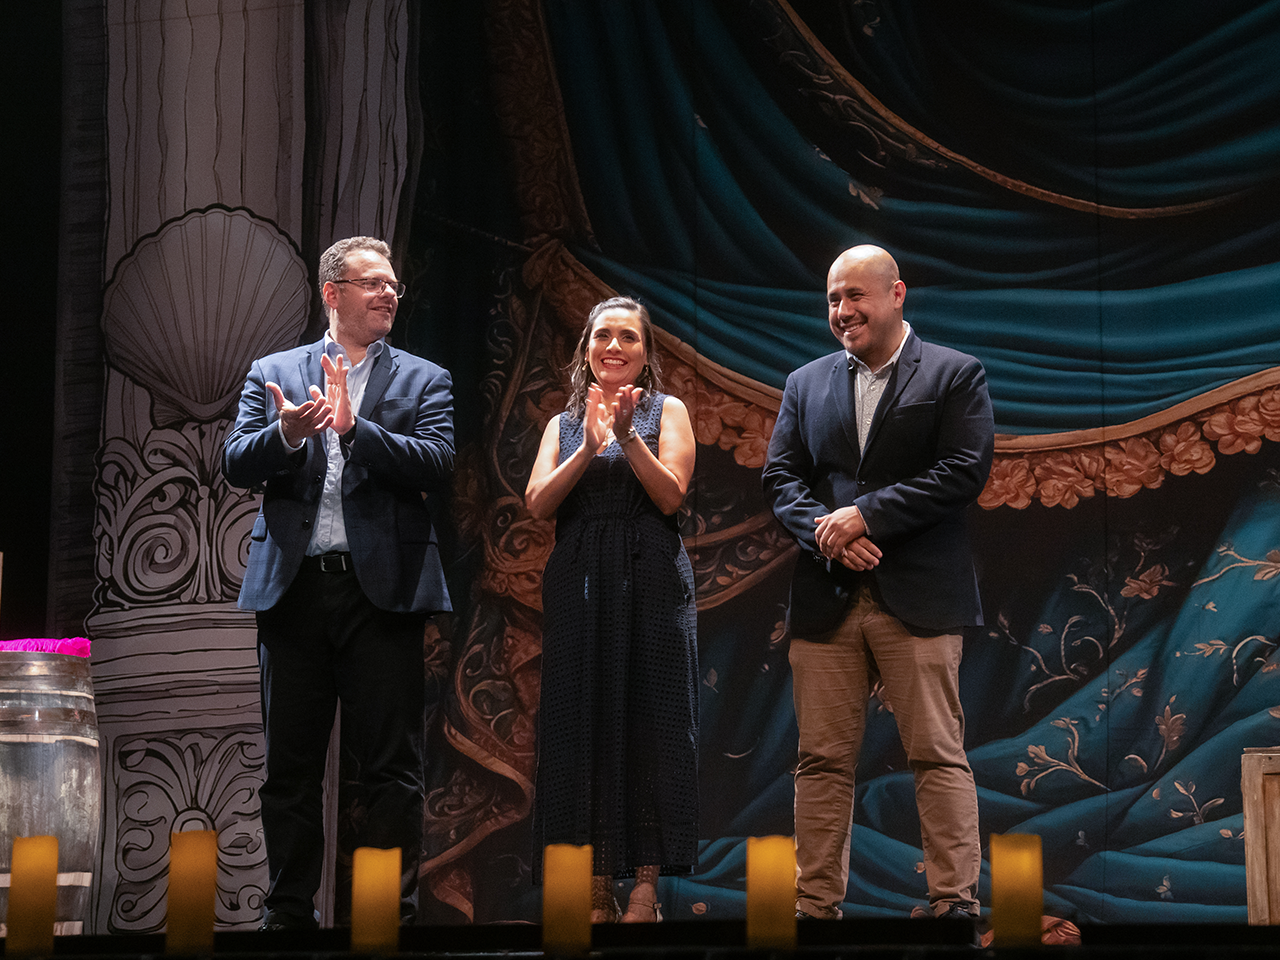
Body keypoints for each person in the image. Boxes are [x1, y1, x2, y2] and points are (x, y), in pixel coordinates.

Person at [223, 236, 454, 930]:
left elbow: (437, 462)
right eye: (373, 283)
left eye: (393, 285)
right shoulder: (273, 371)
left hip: (382, 593)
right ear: (333, 293)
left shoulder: (425, 378)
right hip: (294, 591)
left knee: (390, 770)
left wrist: (357, 432)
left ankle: (386, 917)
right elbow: (236, 461)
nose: (389, 294)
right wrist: (288, 435)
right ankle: (289, 916)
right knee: (289, 769)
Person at [762, 245, 994, 922]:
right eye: (833, 298)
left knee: (937, 755)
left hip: (919, 594)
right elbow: (781, 477)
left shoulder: (954, 373)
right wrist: (826, 533)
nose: (842, 310)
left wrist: (867, 515)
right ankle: (815, 909)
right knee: (820, 761)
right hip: (827, 596)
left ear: (897, 294)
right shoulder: (805, 382)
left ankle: (953, 905)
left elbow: (963, 468)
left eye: (855, 295)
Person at [525, 296, 698, 923]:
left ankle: (645, 893)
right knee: (581, 726)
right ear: (586, 351)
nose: (614, 346)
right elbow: (538, 503)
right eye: (603, 335)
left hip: (651, 579)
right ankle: (595, 890)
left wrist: (626, 439)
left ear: (646, 353)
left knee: (652, 723)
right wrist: (587, 447)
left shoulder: (667, 411)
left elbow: (671, 496)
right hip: (580, 583)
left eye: (628, 336)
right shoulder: (563, 422)